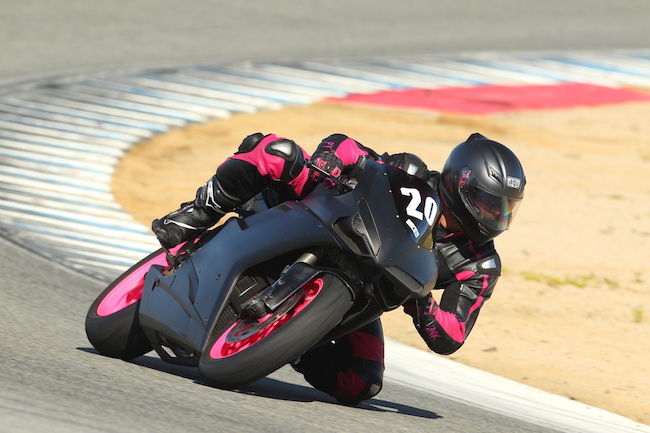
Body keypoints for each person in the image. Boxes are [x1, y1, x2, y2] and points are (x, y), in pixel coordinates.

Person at [152, 132, 526, 405]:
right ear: (460, 184)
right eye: (490, 203)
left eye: (506, 208)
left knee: (361, 383)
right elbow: (349, 148)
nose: (496, 215)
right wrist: (330, 159)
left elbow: (452, 334)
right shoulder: (409, 171)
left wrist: (422, 301)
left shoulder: (480, 263)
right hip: (323, 217)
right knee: (277, 151)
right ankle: (195, 216)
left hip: (362, 294)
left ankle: (292, 342)